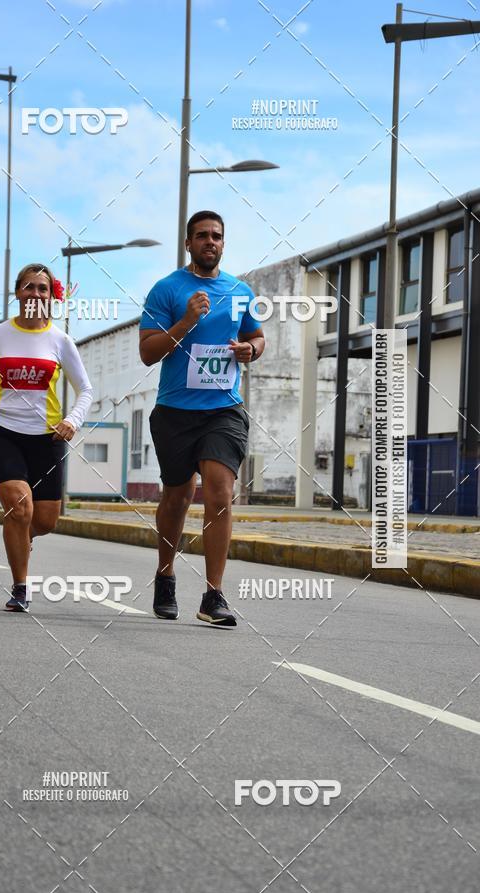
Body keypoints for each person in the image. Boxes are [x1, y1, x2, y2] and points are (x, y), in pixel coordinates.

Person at [139, 211, 265, 626]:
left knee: (219, 491)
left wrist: (253, 350)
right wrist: (187, 321)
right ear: (189, 244)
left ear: (223, 243)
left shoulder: (239, 289)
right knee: (177, 496)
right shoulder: (167, 290)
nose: (210, 242)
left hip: (224, 409)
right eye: (202, 236)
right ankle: (165, 575)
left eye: (217, 236)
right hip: (175, 411)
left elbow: (256, 336)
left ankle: (213, 595)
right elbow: (148, 352)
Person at [0, 263, 93, 612]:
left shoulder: (60, 341)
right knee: (19, 506)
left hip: (47, 436)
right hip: (2, 430)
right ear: (17, 293)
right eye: (28, 287)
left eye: (42, 289)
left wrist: (73, 421)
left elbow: (85, 390)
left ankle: (21, 536)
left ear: (51, 296)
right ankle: (20, 587)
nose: (35, 294)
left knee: (44, 520)